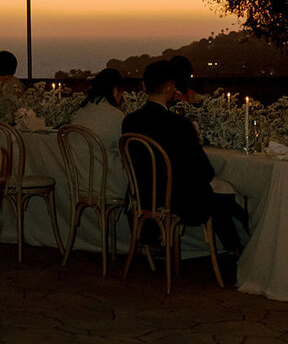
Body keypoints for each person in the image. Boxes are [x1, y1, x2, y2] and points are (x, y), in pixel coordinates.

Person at [122, 60, 242, 252]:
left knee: (223, 200)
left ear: (144, 87)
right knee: (227, 199)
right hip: (176, 201)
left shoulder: (130, 121)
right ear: (170, 86)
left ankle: (235, 249)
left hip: (143, 196)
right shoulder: (178, 124)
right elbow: (204, 171)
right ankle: (237, 250)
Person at [71, 67, 127, 199]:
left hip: (79, 184)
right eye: (121, 92)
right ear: (115, 90)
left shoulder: (80, 113)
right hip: (106, 185)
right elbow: (125, 152)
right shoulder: (115, 116)